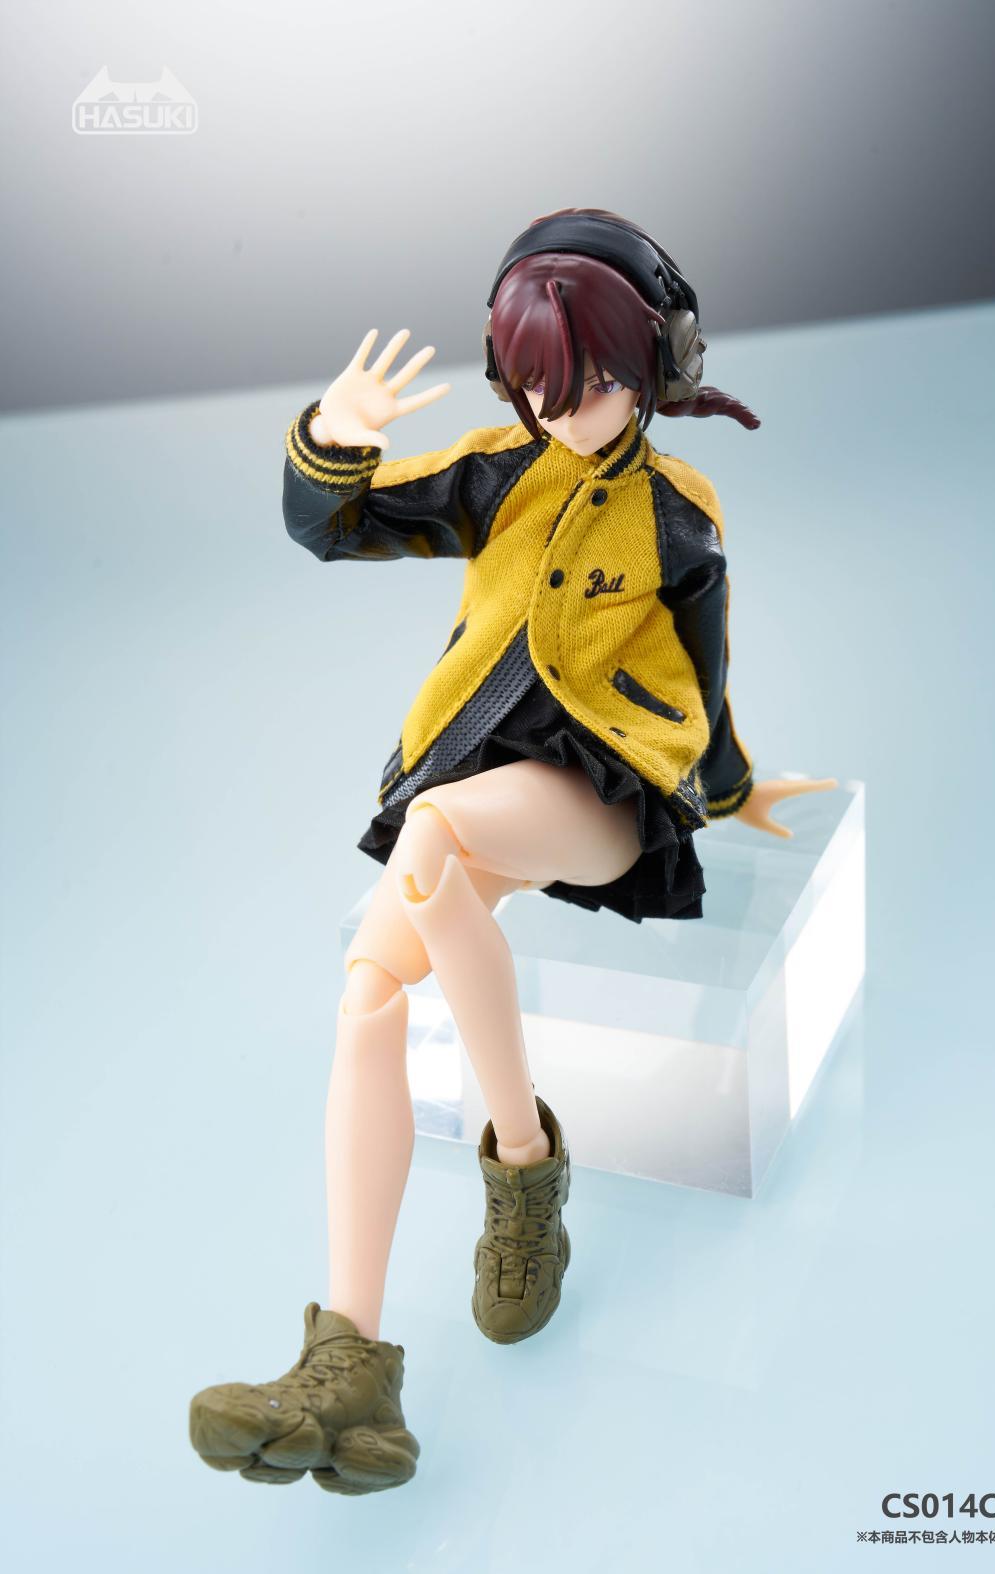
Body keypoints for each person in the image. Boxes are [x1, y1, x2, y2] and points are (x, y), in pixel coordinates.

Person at [188, 209, 836, 1496]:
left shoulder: (677, 514)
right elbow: (336, 527)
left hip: (601, 800)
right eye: (536, 385)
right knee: (367, 992)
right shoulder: (498, 472)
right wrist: (332, 442)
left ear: (656, 362)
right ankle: (349, 1359)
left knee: (434, 832)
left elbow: (705, 679)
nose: (560, 411)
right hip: (485, 781)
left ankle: (524, 1170)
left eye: (586, 383)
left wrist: (732, 788)